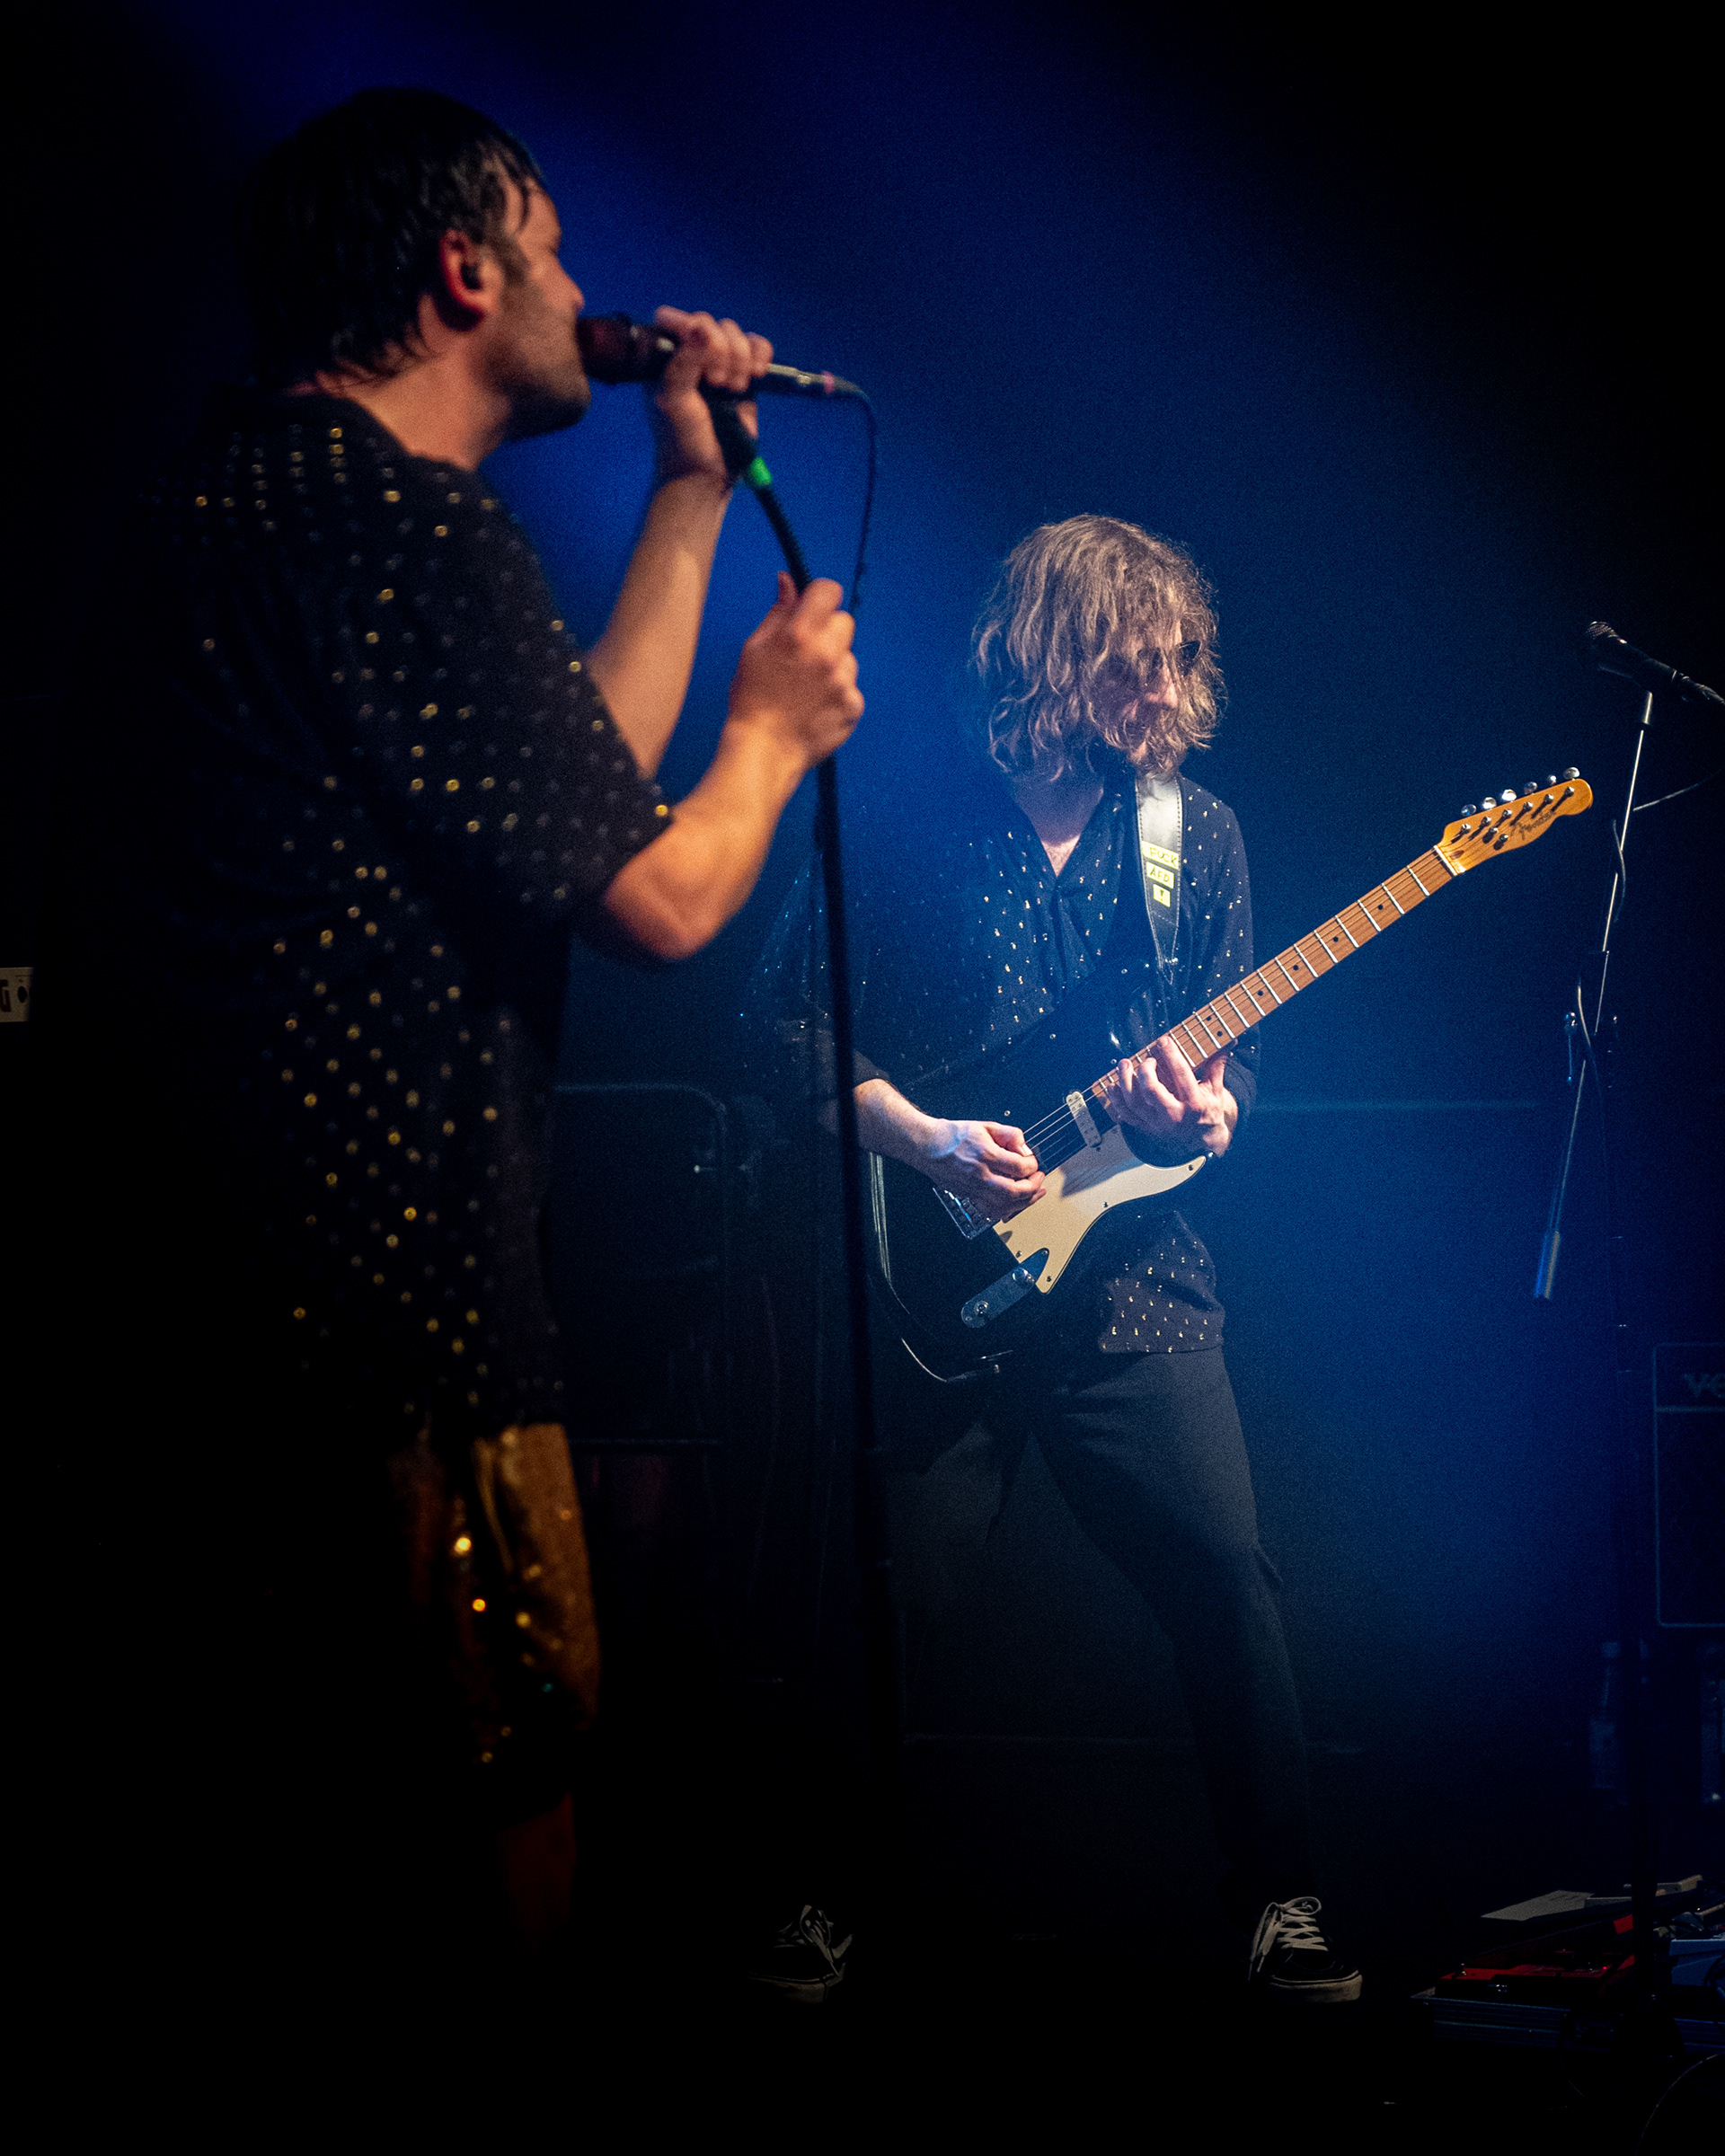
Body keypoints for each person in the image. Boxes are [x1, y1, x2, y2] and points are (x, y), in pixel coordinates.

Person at [48, 86, 861, 1968]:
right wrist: (771, 735)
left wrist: (687, 490)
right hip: (394, 1351)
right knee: (488, 1825)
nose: (585, 290)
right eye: (554, 249)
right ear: (463, 271)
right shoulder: (405, 521)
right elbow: (657, 895)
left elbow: (558, 796)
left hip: (196, 1337)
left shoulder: (237, 501)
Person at [750, 515, 1359, 2001]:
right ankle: (816, 1900)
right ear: (1055, 654)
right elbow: (780, 1025)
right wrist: (926, 1140)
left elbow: (1234, 1077)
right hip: (932, 1275)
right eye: (1139, 660)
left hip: (1137, 1282)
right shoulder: (897, 813)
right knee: (889, 1609)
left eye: (1182, 660)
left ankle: (1283, 1900)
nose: (1169, 689)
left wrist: (1207, 1116)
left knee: (1225, 1573)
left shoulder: (1197, 835)